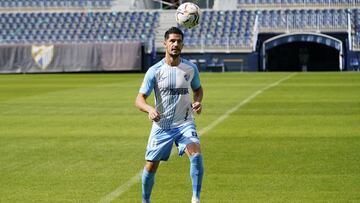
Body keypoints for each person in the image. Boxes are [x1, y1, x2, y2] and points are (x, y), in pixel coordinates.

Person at [135, 27, 204, 203]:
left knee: (196, 154)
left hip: (185, 123)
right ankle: (145, 200)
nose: (175, 44)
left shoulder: (190, 68)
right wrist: (150, 109)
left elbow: (198, 89)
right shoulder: (155, 71)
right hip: (162, 126)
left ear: (183, 44)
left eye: (179, 41)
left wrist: (197, 101)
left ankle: (196, 199)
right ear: (164, 43)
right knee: (150, 167)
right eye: (172, 41)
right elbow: (139, 99)